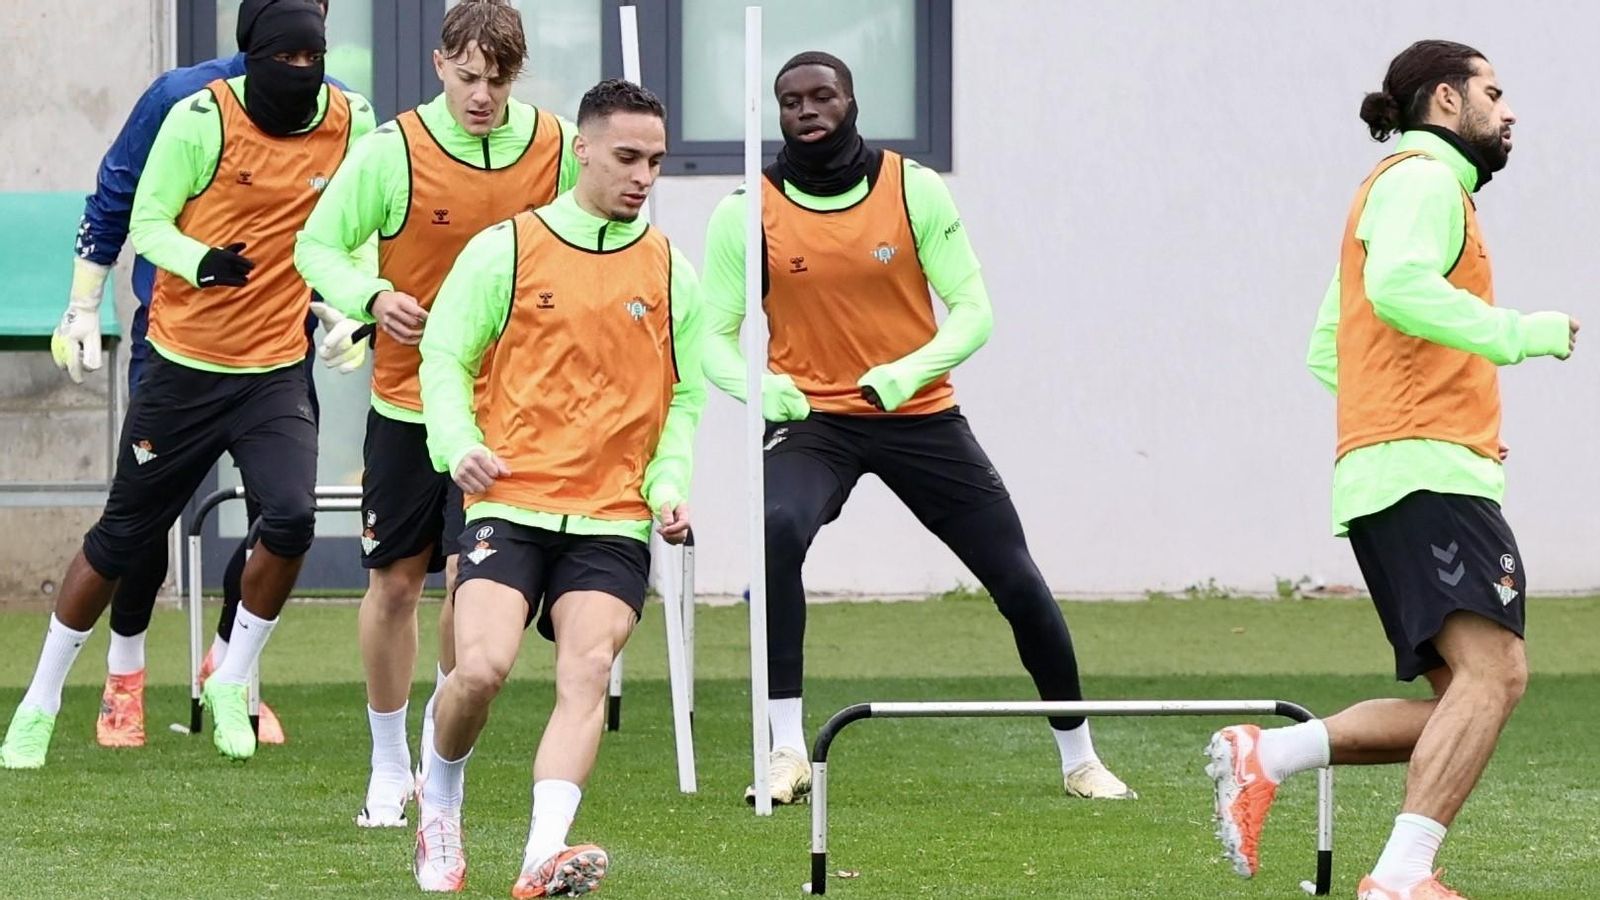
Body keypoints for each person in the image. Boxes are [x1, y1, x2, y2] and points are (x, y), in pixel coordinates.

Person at [698, 51, 1132, 806]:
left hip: (920, 414)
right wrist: (760, 390)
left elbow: (974, 310)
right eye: (791, 101)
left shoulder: (914, 189)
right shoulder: (747, 210)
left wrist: (908, 371)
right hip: (814, 421)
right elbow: (711, 334)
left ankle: (1079, 757)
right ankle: (787, 752)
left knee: (1017, 578)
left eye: (822, 96)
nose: (808, 110)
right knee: (776, 528)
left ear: (852, 100)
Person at [1206, 40, 1579, 900]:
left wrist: (1432, 411)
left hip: (1404, 467)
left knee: (1468, 702)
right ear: (1446, 102)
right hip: (1421, 474)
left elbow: (1329, 348)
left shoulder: (1398, 184)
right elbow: (1402, 289)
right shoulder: (1423, 179)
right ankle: (1400, 877)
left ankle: (1270, 753)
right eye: (1495, 91)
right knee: (1497, 676)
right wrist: (1519, 335)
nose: (1510, 109)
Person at [0, 0, 376, 768]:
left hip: (274, 362)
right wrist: (82, 302)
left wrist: (352, 304)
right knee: (130, 535)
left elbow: (356, 220)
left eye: (314, 53)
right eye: (287, 55)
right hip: (178, 353)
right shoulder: (188, 104)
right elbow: (126, 206)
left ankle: (230, 675)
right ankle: (99, 683)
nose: (301, 70)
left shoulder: (348, 116)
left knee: (292, 515)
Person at [411, 78, 703, 897]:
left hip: (614, 514)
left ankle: (543, 854)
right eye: (627, 157)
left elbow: (683, 395)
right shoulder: (506, 247)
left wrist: (668, 482)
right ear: (583, 149)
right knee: (481, 669)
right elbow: (445, 357)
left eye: (655, 161)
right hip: (510, 498)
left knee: (588, 667)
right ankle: (439, 803)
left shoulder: (672, 269)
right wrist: (458, 443)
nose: (644, 176)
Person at [295, 0, 579, 830]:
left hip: (509, 410)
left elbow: (590, 240)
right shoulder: (393, 152)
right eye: (466, 77)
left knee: (472, 583)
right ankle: (388, 764)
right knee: (393, 583)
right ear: (438, 64)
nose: (481, 95)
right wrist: (373, 295)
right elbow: (317, 246)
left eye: (496, 80)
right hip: (408, 404)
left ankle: (436, 742)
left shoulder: (560, 147)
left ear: (515, 77)